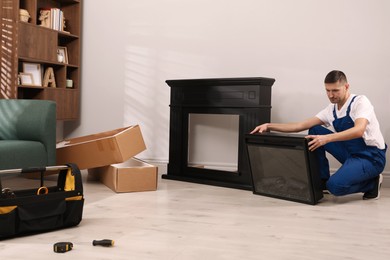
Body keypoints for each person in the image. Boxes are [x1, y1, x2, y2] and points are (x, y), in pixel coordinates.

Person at [250, 70, 387, 200]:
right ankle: (321, 180)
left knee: (335, 187)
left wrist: (326, 139)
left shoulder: (360, 102)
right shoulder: (331, 110)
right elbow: (299, 126)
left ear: (346, 86)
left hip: (371, 157)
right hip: (350, 153)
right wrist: (268, 125)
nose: (331, 95)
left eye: (335, 90)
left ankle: (372, 184)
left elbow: (359, 130)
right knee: (315, 130)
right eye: (327, 90)